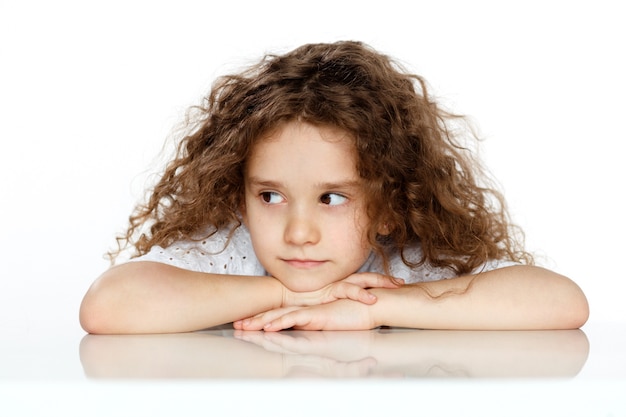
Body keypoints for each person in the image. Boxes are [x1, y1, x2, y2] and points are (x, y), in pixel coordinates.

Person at [79, 41, 589, 334]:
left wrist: (374, 309)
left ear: (390, 206)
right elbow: (107, 306)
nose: (299, 232)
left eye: (332, 198)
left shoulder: (402, 264)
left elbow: (561, 303)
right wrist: (288, 292)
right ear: (240, 198)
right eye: (271, 196)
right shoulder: (231, 252)